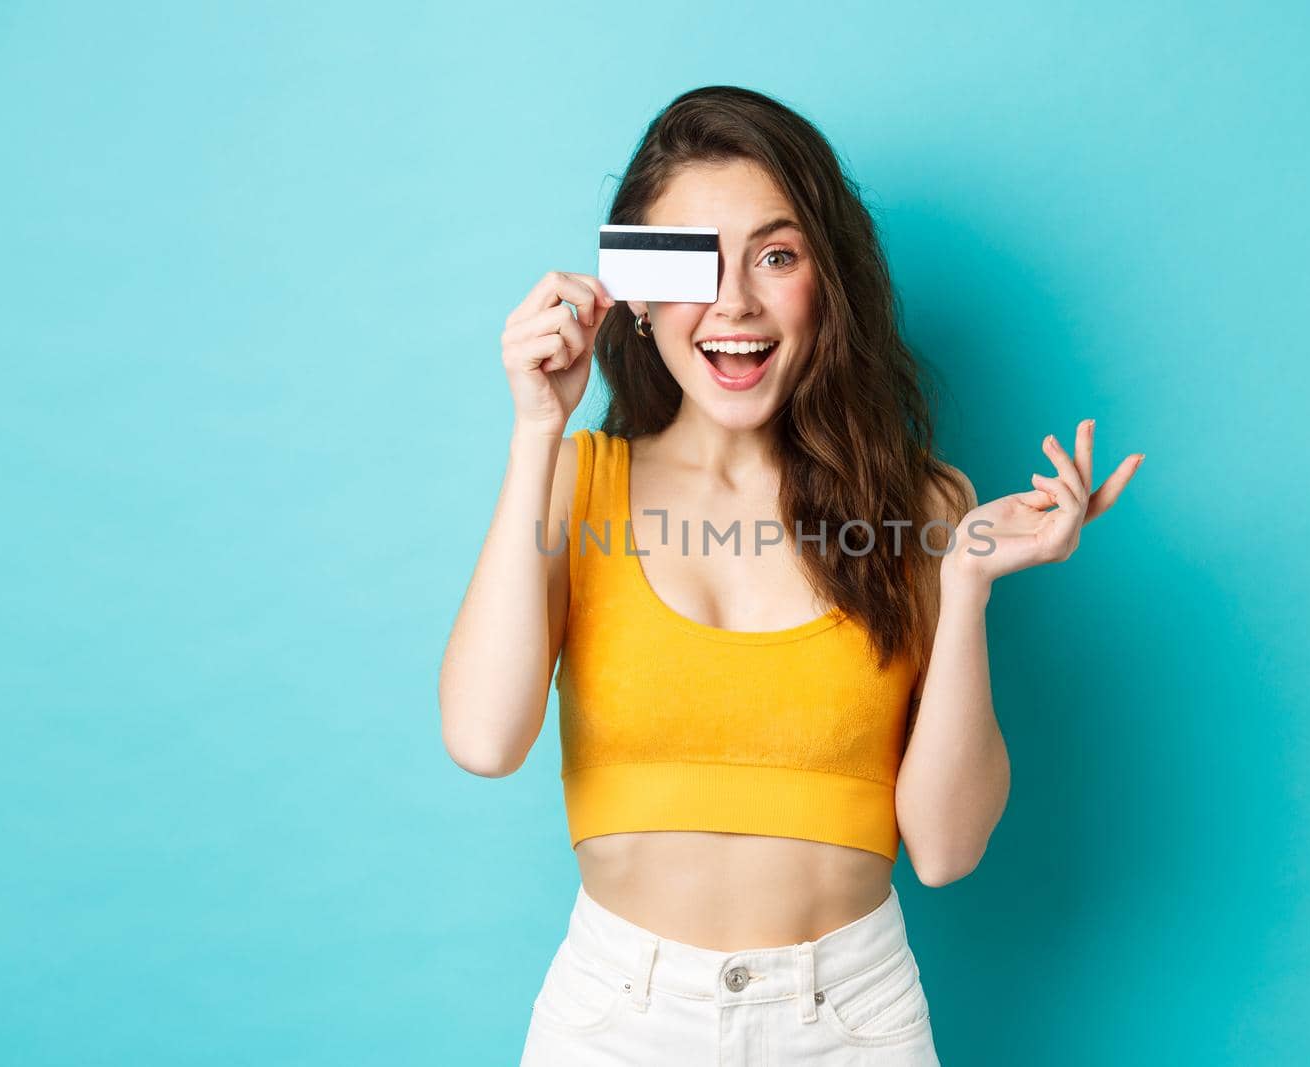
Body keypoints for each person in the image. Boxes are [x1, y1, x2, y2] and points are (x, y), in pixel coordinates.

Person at [439, 85, 1144, 1065]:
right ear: (634, 295)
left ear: (827, 281)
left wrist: (970, 587)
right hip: (615, 1019)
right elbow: (482, 735)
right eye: (694, 260)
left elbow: (945, 851)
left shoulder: (921, 505)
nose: (733, 302)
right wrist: (534, 427)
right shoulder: (571, 480)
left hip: (850, 1020)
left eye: (776, 255)